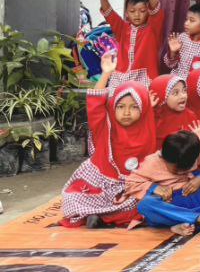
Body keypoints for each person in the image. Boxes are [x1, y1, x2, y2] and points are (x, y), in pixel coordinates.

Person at [60, 56, 156, 228]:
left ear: (144, 109)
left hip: (132, 186)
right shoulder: (106, 127)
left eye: (134, 107)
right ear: (113, 107)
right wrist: (106, 74)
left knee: (146, 202)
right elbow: (95, 104)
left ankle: (102, 217)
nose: (126, 112)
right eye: (120, 106)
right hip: (101, 184)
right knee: (72, 199)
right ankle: (97, 215)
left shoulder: (148, 127)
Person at [124, 130, 200, 235]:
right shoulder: (152, 162)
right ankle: (199, 219)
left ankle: (183, 222)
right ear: (164, 157)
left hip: (194, 197)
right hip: (171, 204)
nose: (179, 172)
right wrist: (155, 188)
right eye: (174, 169)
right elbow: (131, 183)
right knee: (145, 204)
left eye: (184, 169)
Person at [99, 0, 164, 85]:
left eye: (142, 10)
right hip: (120, 78)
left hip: (146, 78)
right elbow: (108, 12)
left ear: (148, 11)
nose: (137, 15)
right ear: (127, 14)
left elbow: (156, 8)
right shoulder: (122, 28)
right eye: (132, 11)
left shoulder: (153, 29)